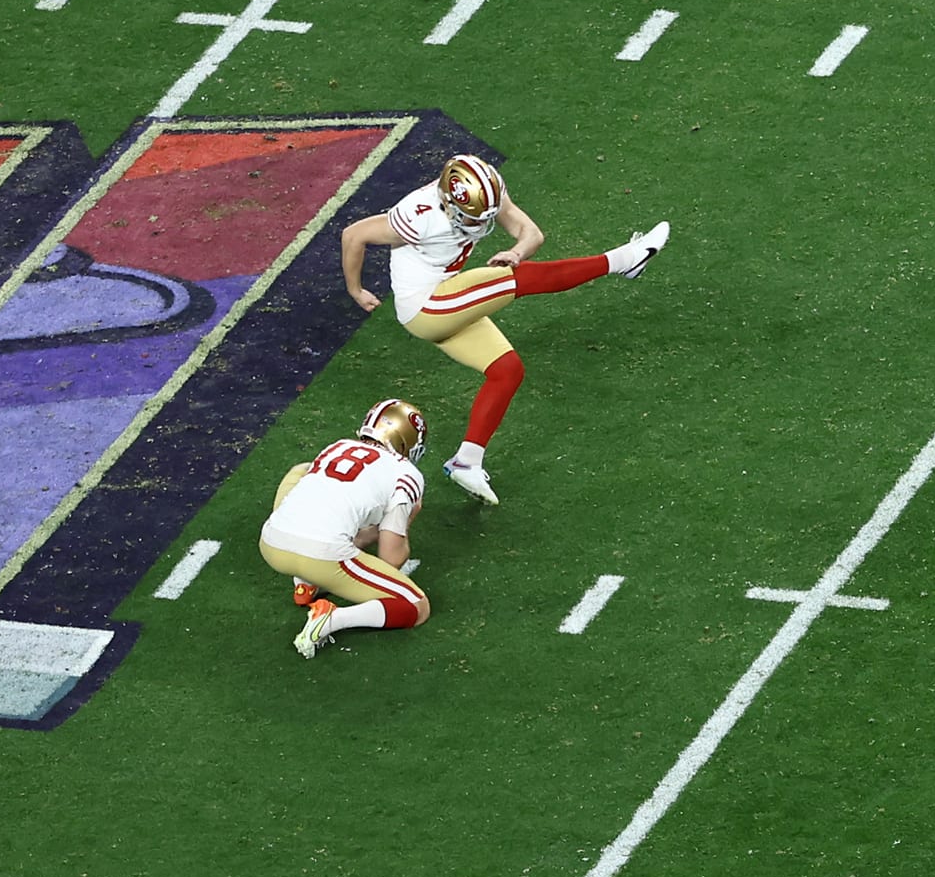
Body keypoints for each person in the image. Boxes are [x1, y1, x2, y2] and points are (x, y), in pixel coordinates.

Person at [340, 154, 667, 505]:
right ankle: (625, 260)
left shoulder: (484, 191)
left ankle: (467, 461)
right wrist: (356, 290)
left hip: (448, 298)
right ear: (448, 203)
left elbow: (531, 234)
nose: (480, 224)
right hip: (427, 306)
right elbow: (353, 234)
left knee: (507, 371)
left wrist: (517, 251)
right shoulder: (419, 215)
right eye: (472, 218)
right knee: (518, 279)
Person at [258, 399, 433, 658]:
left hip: (272, 544)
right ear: (405, 441)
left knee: (302, 470)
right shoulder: (407, 473)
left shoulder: (338, 446)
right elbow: (390, 557)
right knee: (416, 606)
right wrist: (407, 520)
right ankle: (332, 619)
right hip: (323, 556)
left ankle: (306, 582)